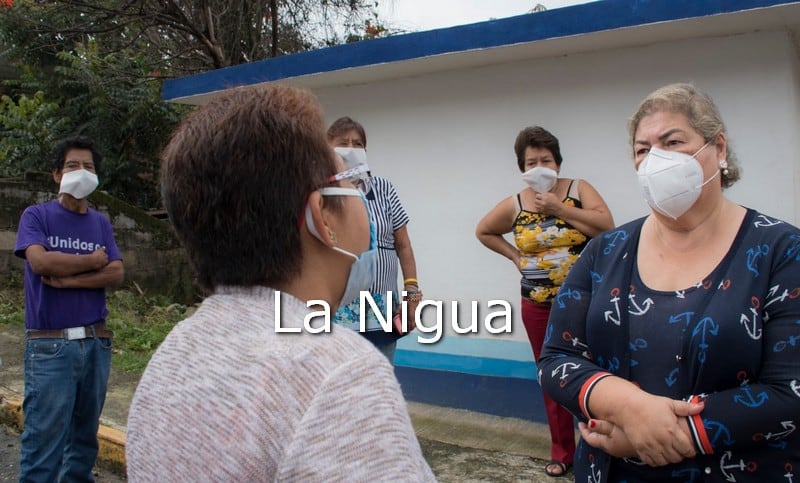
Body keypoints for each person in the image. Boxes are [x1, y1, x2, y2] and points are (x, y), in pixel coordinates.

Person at [125, 84, 435, 481]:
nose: (360, 191)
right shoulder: (342, 376)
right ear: (323, 215)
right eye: (347, 178)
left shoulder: (174, 351)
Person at [538, 82, 800, 482]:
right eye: (643, 150)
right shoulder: (605, 252)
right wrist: (626, 406)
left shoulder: (781, 251)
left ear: (720, 148)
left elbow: (790, 391)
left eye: (673, 141)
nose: (655, 159)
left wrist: (657, 435)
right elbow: (556, 357)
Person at [475, 126, 614, 477]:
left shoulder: (578, 189)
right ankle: (562, 451)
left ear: (558, 161)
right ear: (522, 166)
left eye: (546, 160)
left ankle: (600, 446)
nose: (539, 166)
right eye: (531, 161)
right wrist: (513, 256)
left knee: (593, 373)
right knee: (551, 376)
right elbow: (484, 231)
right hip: (536, 305)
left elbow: (607, 229)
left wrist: (558, 208)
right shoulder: (516, 203)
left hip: (583, 303)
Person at [13, 135, 124, 482]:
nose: (81, 171)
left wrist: (69, 280)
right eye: (73, 165)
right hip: (50, 347)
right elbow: (41, 261)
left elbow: (117, 271)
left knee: (82, 446)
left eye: (88, 167)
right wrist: (91, 261)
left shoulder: (100, 222)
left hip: (95, 344)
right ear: (56, 174)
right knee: (43, 446)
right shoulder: (37, 215)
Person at [326, 116, 421, 362]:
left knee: (382, 378)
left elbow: (404, 245)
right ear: (328, 149)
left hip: (382, 306)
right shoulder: (320, 194)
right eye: (343, 143)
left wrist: (411, 293)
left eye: (357, 144)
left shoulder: (383, 189)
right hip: (339, 308)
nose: (351, 149)